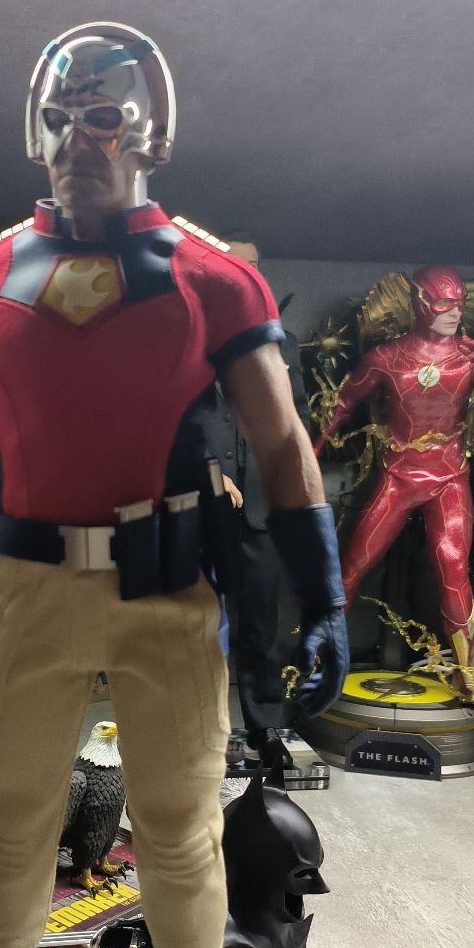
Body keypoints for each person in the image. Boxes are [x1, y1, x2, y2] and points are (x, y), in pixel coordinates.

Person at [0, 22, 350, 948]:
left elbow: (282, 443)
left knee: (180, 833)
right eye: (62, 117)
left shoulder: (213, 278)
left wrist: (324, 597)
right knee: (11, 821)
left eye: (105, 115)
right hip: (27, 588)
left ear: (150, 131)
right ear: (38, 131)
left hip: (168, 595)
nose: (80, 138)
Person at [315, 265, 474, 704]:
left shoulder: (470, 355)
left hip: (448, 477)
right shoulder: (386, 357)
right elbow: (343, 403)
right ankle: (318, 659)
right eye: (445, 302)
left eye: (460, 303)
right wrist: (309, 454)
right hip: (397, 476)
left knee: (453, 566)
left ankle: (468, 673)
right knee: (353, 565)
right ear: (421, 302)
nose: (455, 312)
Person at [195, 237, 309, 766]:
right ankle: (197, 729)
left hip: (263, 504)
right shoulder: (185, 337)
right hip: (202, 503)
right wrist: (209, 472)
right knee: (194, 622)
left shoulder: (284, 344)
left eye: (254, 267)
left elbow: (295, 420)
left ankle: (266, 727)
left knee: (263, 623)